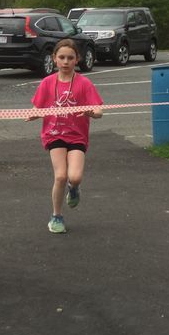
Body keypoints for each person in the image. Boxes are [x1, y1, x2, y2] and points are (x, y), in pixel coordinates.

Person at [28, 39, 103, 234]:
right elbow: (36, 108)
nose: (66, 61)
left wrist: (92, 113)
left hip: (77, 136)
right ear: (54, 59)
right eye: (61, 57)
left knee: (75, 177)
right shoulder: (47, 83)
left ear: (77, 59)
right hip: (54, 135)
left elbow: (99, 110)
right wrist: (33, 115)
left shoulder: (84, 83)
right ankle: (56, 216)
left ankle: (74, 188)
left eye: (70, 58)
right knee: (60, 176)